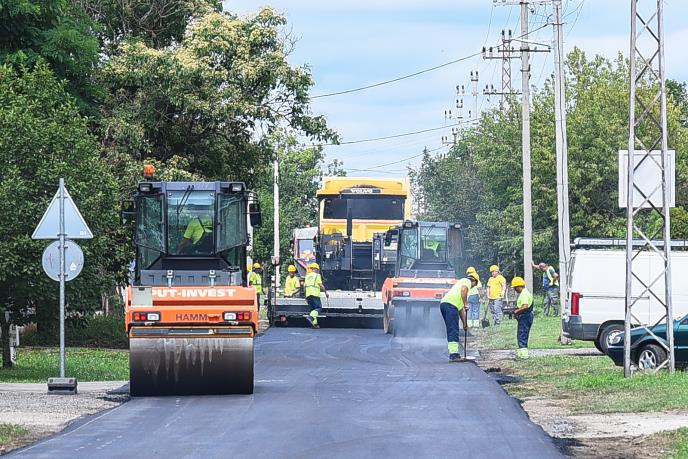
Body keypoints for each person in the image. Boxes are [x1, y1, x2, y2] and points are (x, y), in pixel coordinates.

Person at [439, 273, 478, 362]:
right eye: (474, 286)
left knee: (451, 328)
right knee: (453, 329)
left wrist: (465, 324)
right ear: (474, 281)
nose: (472, 288)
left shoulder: (459, 289)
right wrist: (466, 304)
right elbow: (464, 290)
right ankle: (454, 354)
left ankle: (453, 352)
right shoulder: (466, 281)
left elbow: (460, 310)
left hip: (445, 304)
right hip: (450, 305)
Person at [511, 276, 534, 359]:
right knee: (521, 334)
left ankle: (524, 355)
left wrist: (516, 311)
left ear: (518, 286)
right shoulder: (525, 293)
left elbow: (525, 306)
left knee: (522, 334)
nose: (514, 290)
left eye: (515, 288)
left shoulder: (524, 294)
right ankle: (521, 353)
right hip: (525, 316)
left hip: (525, 316)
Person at [304, 262, 328, 328]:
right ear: (316, 269)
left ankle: (314, 324)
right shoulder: (317, 275)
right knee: (318, 308)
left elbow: (304, 287)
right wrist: (325, 292)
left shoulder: (307, 276)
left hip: (308, 295)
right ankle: (310, 317)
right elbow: (321, 285)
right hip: (315, 294)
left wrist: (305, 296)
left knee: (313, 310)